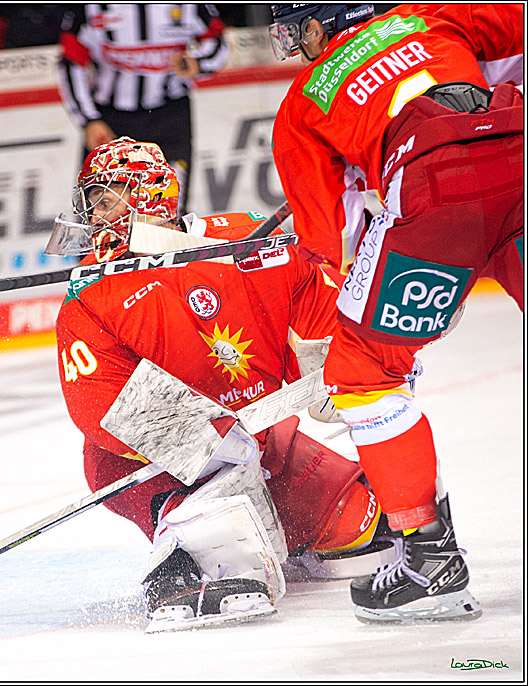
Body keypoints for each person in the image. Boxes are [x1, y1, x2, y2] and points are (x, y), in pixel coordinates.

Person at [45, 137, 390, 632]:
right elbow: (99, 406)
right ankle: (185, 525)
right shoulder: (91, 295)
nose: (96, 216)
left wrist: (351, 365)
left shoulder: (251, 241)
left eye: (106, 199)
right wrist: (208, 445)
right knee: (216, 538)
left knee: (361, 528)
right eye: (92, 203)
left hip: (268, 439)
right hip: (170, 464)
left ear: (149, 196)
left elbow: (320, 315)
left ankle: (273, 523)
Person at [267, 4, 523, 623]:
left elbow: (329, 245)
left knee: (363, 378)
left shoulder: (304, 102)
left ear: (318, 25)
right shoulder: (432, 14)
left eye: (290, 30)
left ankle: (429, 560)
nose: (293, 47)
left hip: (438, 189)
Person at [56, 4, 229, 213]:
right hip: (111, 122)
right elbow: (70, 63)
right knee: (100, 213)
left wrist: (198, 63)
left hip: (170, 117)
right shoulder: (90, 8)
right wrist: (89, 120)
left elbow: (218, 42)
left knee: (168, 212)